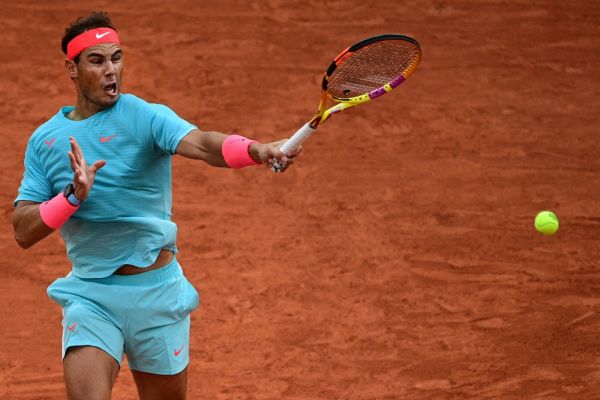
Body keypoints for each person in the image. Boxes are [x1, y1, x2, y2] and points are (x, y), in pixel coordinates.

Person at [12, 11, 298, 400]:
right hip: (91, 296)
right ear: (72, 69)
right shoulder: (46, 140)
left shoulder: (144, 116)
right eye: (96, 61)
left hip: (157, 295)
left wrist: (256, 150)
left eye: (116, 57)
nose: (110, 70)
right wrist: (72, 197)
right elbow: (23, 230)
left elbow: (204, 145)